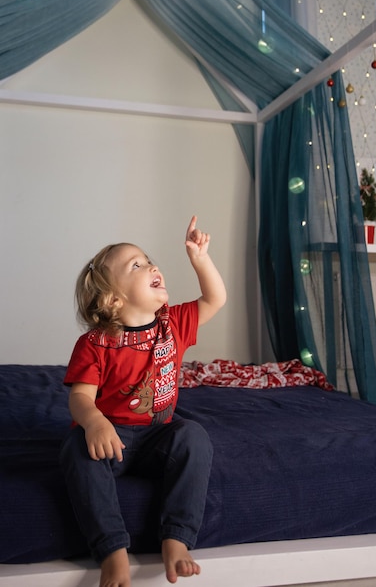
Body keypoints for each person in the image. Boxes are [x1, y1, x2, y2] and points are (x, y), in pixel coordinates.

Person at [59, 216, 226, 587]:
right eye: (137, 264)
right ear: (114, 298)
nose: (152, 265)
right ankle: (112, 553)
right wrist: (94, 422)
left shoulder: (173, 324)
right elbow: (80, 398)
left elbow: (216, 298)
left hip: (156, 437)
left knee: (194, 435)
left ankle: (177, 540)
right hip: (110, 439)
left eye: (148, 259)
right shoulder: (95, 344)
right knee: (74, 448)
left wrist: (200, 259)